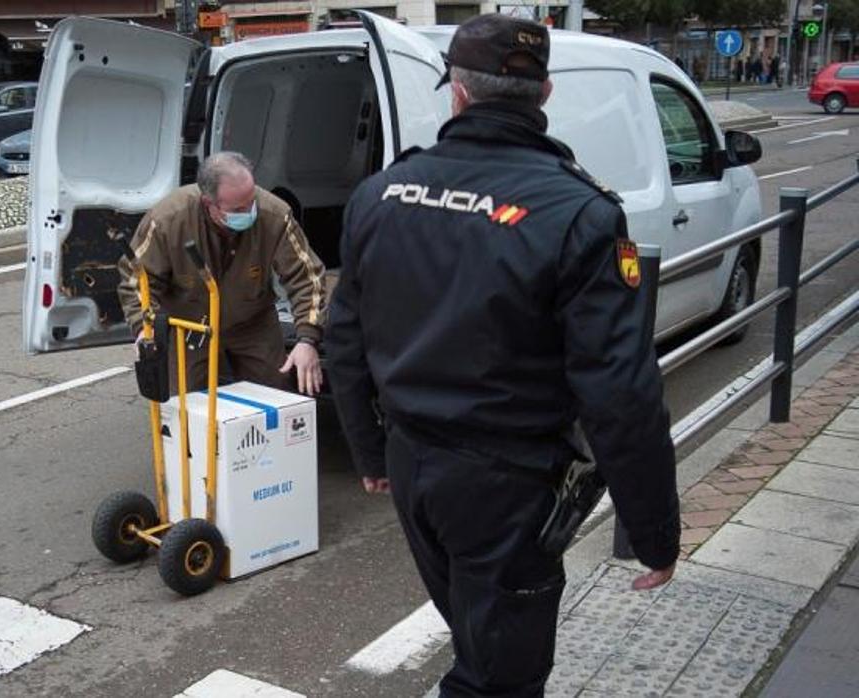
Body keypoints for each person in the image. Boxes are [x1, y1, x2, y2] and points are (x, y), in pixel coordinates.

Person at [328, 14, 680, 696]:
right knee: (500, 677)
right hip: (506, 485)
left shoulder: (379, 196)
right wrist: (654, 531)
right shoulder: (578, 213)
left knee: (475, 638)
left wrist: (371, 453)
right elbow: (620, 393)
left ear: (455, 92)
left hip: (413, 467)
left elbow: (346, 338)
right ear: (544, 93)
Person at [117, 152, 326, 396]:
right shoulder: (168, 220)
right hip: (189, 325)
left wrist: (307, 340)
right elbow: (135, 278)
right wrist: (146, 329)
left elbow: (307, 276)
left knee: (276, 393)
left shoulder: (274, 214)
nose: (249, 211)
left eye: (252, 201)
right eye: (239, 208)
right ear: (209, 204)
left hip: (252, 322)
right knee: (184, 405)